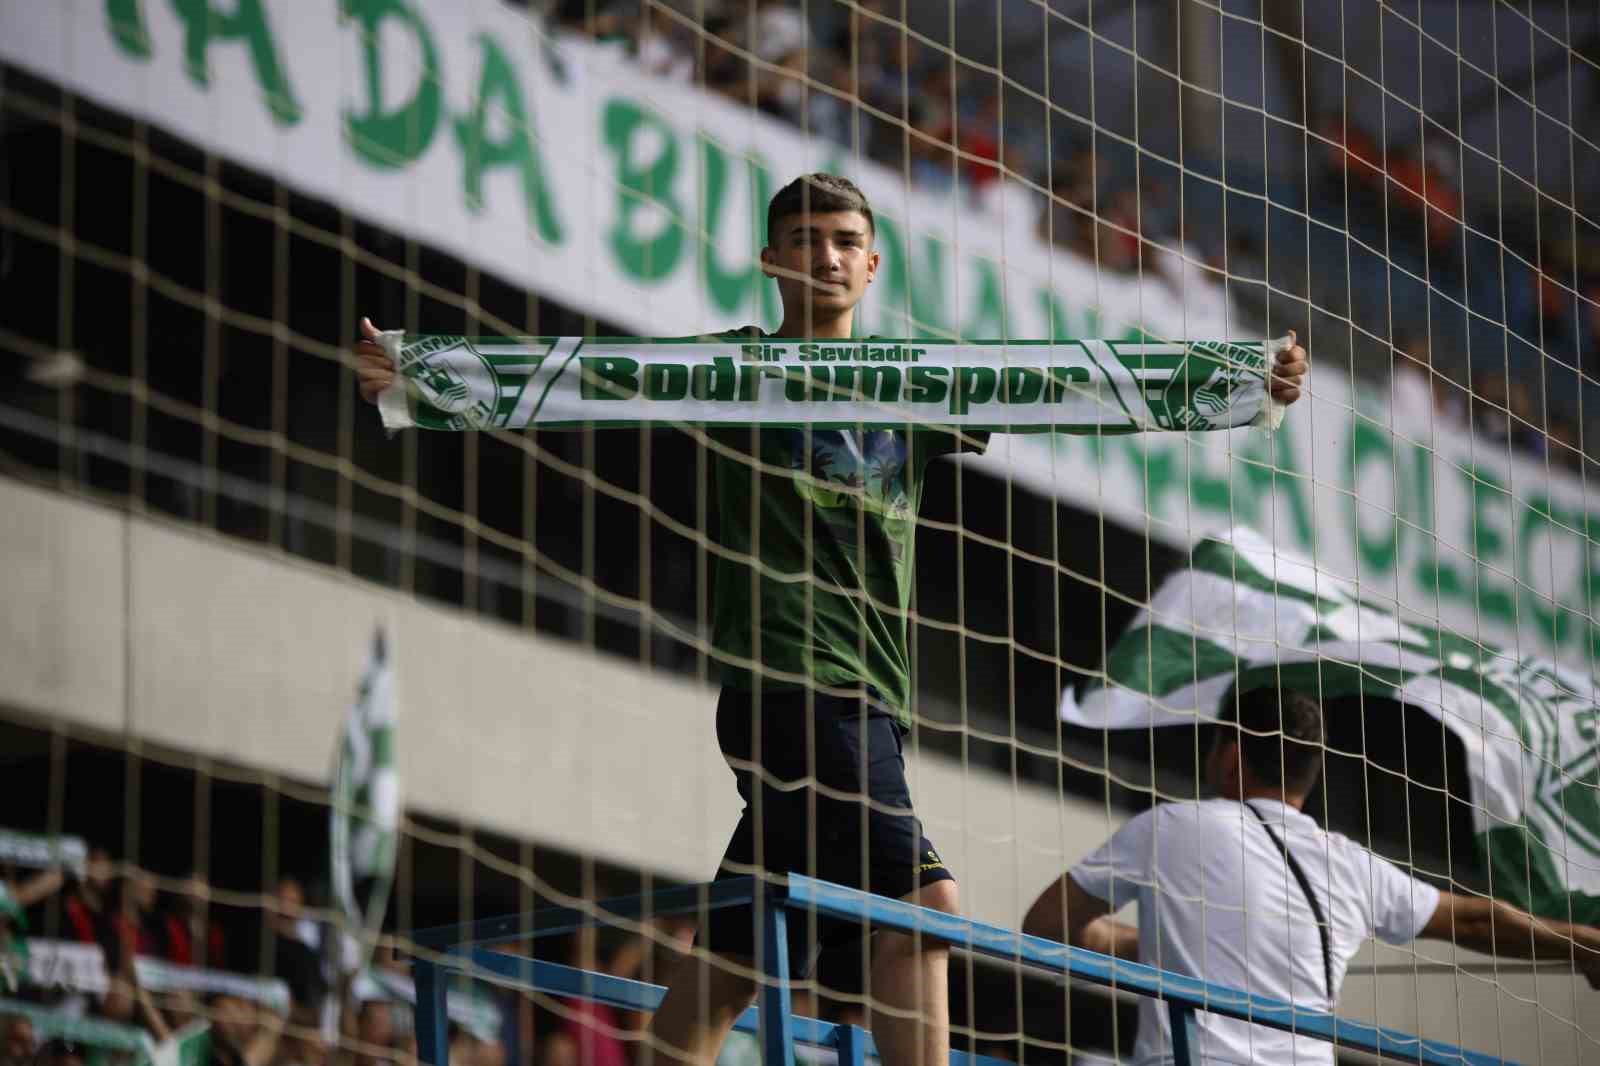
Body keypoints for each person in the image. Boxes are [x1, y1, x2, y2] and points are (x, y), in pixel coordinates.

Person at [352, 173, 1311, 1066]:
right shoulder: (732, 370)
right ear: (770, 260)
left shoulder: (916, 378)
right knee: (925, 902)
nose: (824, 257)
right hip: (799, 685)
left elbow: (1069, 383)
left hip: (864, 702)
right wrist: (416, 375)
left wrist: (1236, 382)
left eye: (845, 241)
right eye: (802, 241)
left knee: (742, 936)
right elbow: (587, 377)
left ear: (873, 262)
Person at [1022, 687, 1600, 1066]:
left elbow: (1045, 924)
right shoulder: (1350, 863)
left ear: (1231, 757)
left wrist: (1142, 947)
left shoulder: (1169, 827)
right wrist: (1586, 946)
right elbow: (1478, 918)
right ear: (1310, 772)